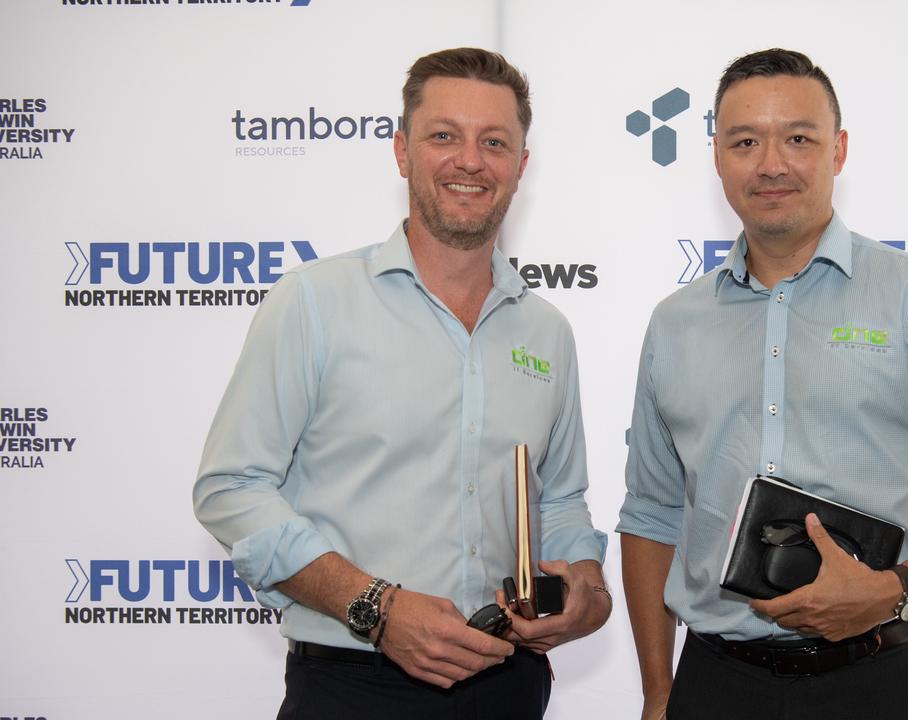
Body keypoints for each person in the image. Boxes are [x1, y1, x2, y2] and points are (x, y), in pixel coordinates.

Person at [617, 48, 908, 720]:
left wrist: (896, 586)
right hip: (715, 685)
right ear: (717, 155)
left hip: (880, 682)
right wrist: (656, 692)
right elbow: (650, 515)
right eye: (744, 141)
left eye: (798, 138)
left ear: (838, 150)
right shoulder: (675, 324)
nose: (771, 163)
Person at [194, 47, 610, 720]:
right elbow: (230, 488)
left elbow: (558, 499)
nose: (470, 161)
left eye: (494, 142)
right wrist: (376, 607)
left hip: (510, 686)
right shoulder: (313, 302)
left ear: (521, 166)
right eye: (444, 135)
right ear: (401, 150)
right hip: (352, 688)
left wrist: (585, 587)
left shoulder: (546, 331)